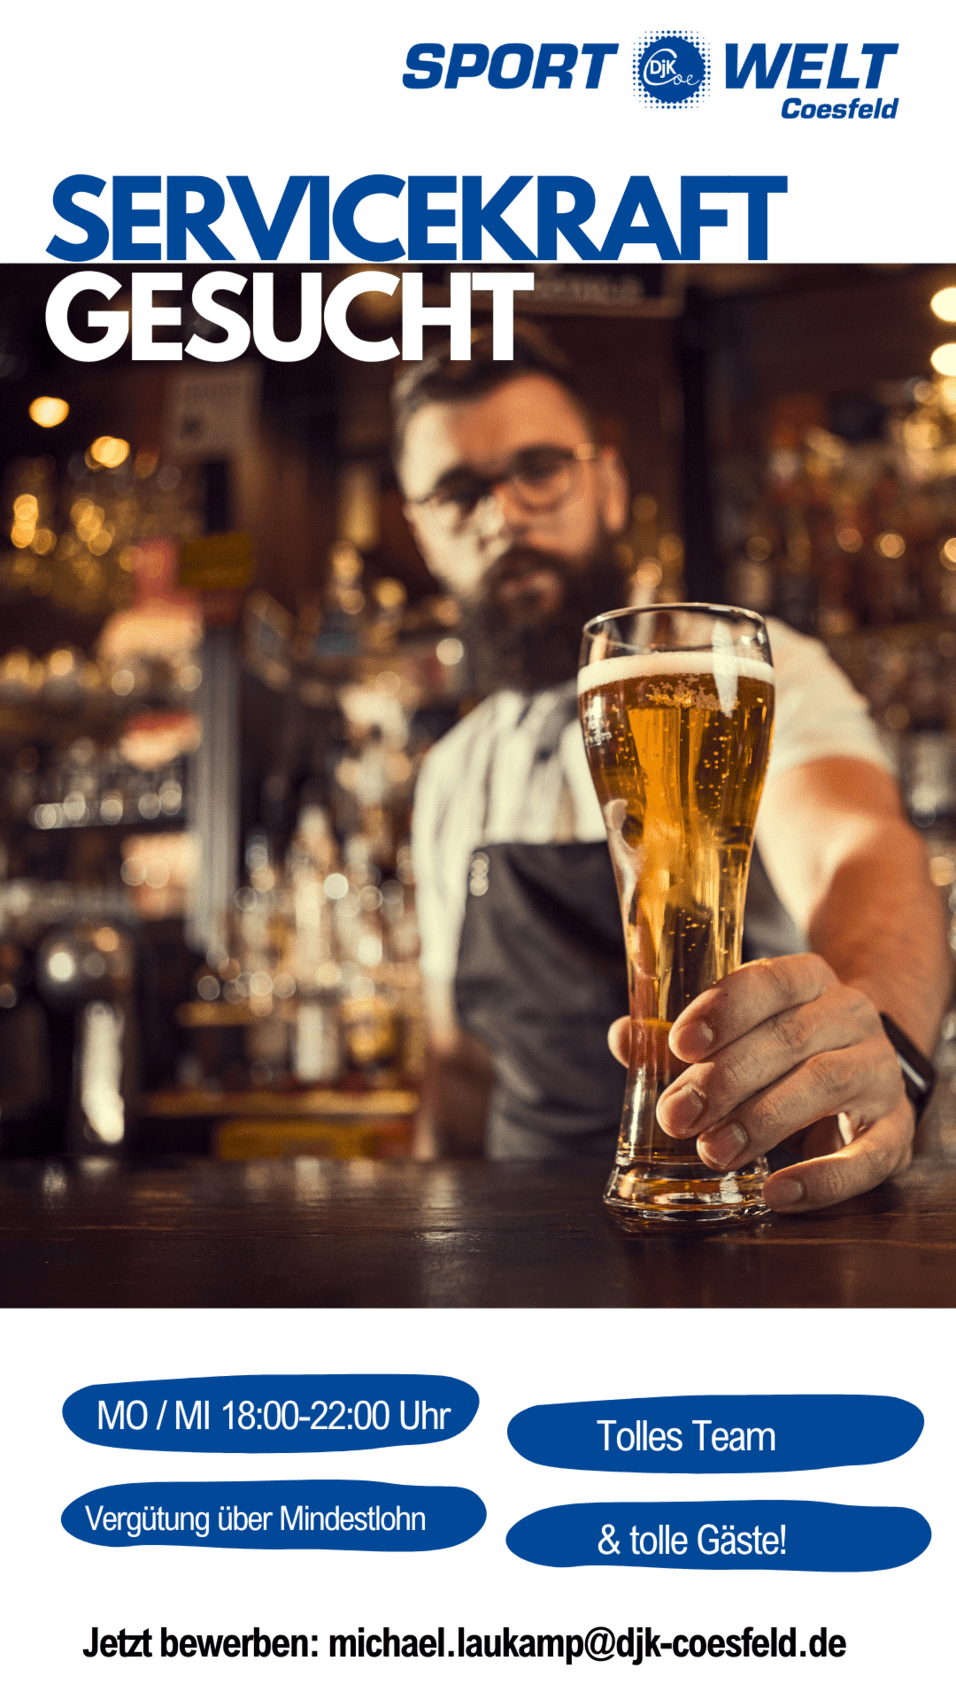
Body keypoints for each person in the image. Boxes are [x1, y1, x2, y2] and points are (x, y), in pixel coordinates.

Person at [396, 325, 952, 1213]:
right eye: (458, 493)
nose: (504, 513)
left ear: (609, 484)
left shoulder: (753, 677)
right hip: (515, 1237)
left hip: (742, 1204)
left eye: (539, 468)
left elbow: (865, 852)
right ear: (421, 531)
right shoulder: (450, 772)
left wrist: (877, 1037)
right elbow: (460, 1068)